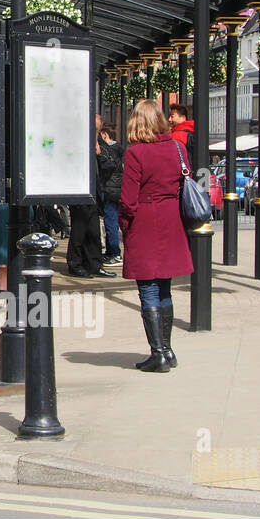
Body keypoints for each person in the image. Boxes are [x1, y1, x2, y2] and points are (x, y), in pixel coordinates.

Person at [119, 100, 193, 373]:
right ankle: (168, 349)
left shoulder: (136, 154)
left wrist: (124, 227)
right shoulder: (178, 147)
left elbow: (127, 200)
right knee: (164, 287)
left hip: (145, 223)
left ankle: (158, 353)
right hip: (172, 220)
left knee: (148, 288)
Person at [67, 123, 116, 279]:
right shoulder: (75, 141)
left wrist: (99, 152)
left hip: (93, 189)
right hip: (79, 188)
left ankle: (94, 264)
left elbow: (110, 164)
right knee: (79, 229)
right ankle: (76, 263)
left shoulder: (98, 142)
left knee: (93, 230)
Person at [96, 117, 125, 266]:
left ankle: (114, 252)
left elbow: (107, 167)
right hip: (115, 189)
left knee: (110, 222)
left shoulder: (109, 150)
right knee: (111, 221)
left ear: (105, 135)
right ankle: (111, 252)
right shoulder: (119, 149)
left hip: (110, 189)